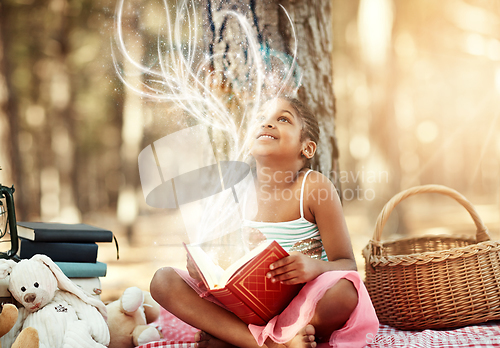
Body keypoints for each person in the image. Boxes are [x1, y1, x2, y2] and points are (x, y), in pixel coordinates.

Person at [150, 97, 379, 348]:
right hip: (244, 307)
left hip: (300, 306)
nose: (267, 124)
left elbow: (347, 264)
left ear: (307, 148)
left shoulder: (314, 188)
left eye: (283, 119)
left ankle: (238, 340)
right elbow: (222, 260)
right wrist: (203, 270)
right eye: (260, 119)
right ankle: (269, 344)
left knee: (346, 291)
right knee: (163, 281)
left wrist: (314, 267)